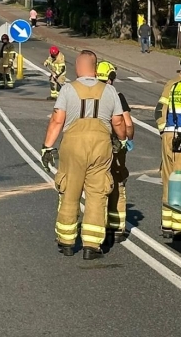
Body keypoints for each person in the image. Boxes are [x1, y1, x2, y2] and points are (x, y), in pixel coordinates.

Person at [40, 51, 127, 260]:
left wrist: (47, 147)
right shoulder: (109, 91)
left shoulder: (68, 89)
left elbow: (57, 120)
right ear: (95, 68)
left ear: (79, 67)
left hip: (73, 146)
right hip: (101, 146)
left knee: (70, 191)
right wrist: (121, 140)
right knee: (97, 194)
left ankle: (67, 242)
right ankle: (91, 245)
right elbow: (118, 122)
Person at [155, 50, 181, 239]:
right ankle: (180, 226)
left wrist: (164, 130)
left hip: (168, 136)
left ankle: (167, 224)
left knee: (168, 178)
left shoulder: (170, 85)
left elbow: (159, 110)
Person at [96, 60, 134, 243]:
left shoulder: (89, 96)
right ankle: (117, 227)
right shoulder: (117, 96)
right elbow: (127, 124)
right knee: (117, 184)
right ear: (111, 78)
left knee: (97, 186)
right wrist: (126, 139)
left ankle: (97, 227)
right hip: (116, 147)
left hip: (95, 148)